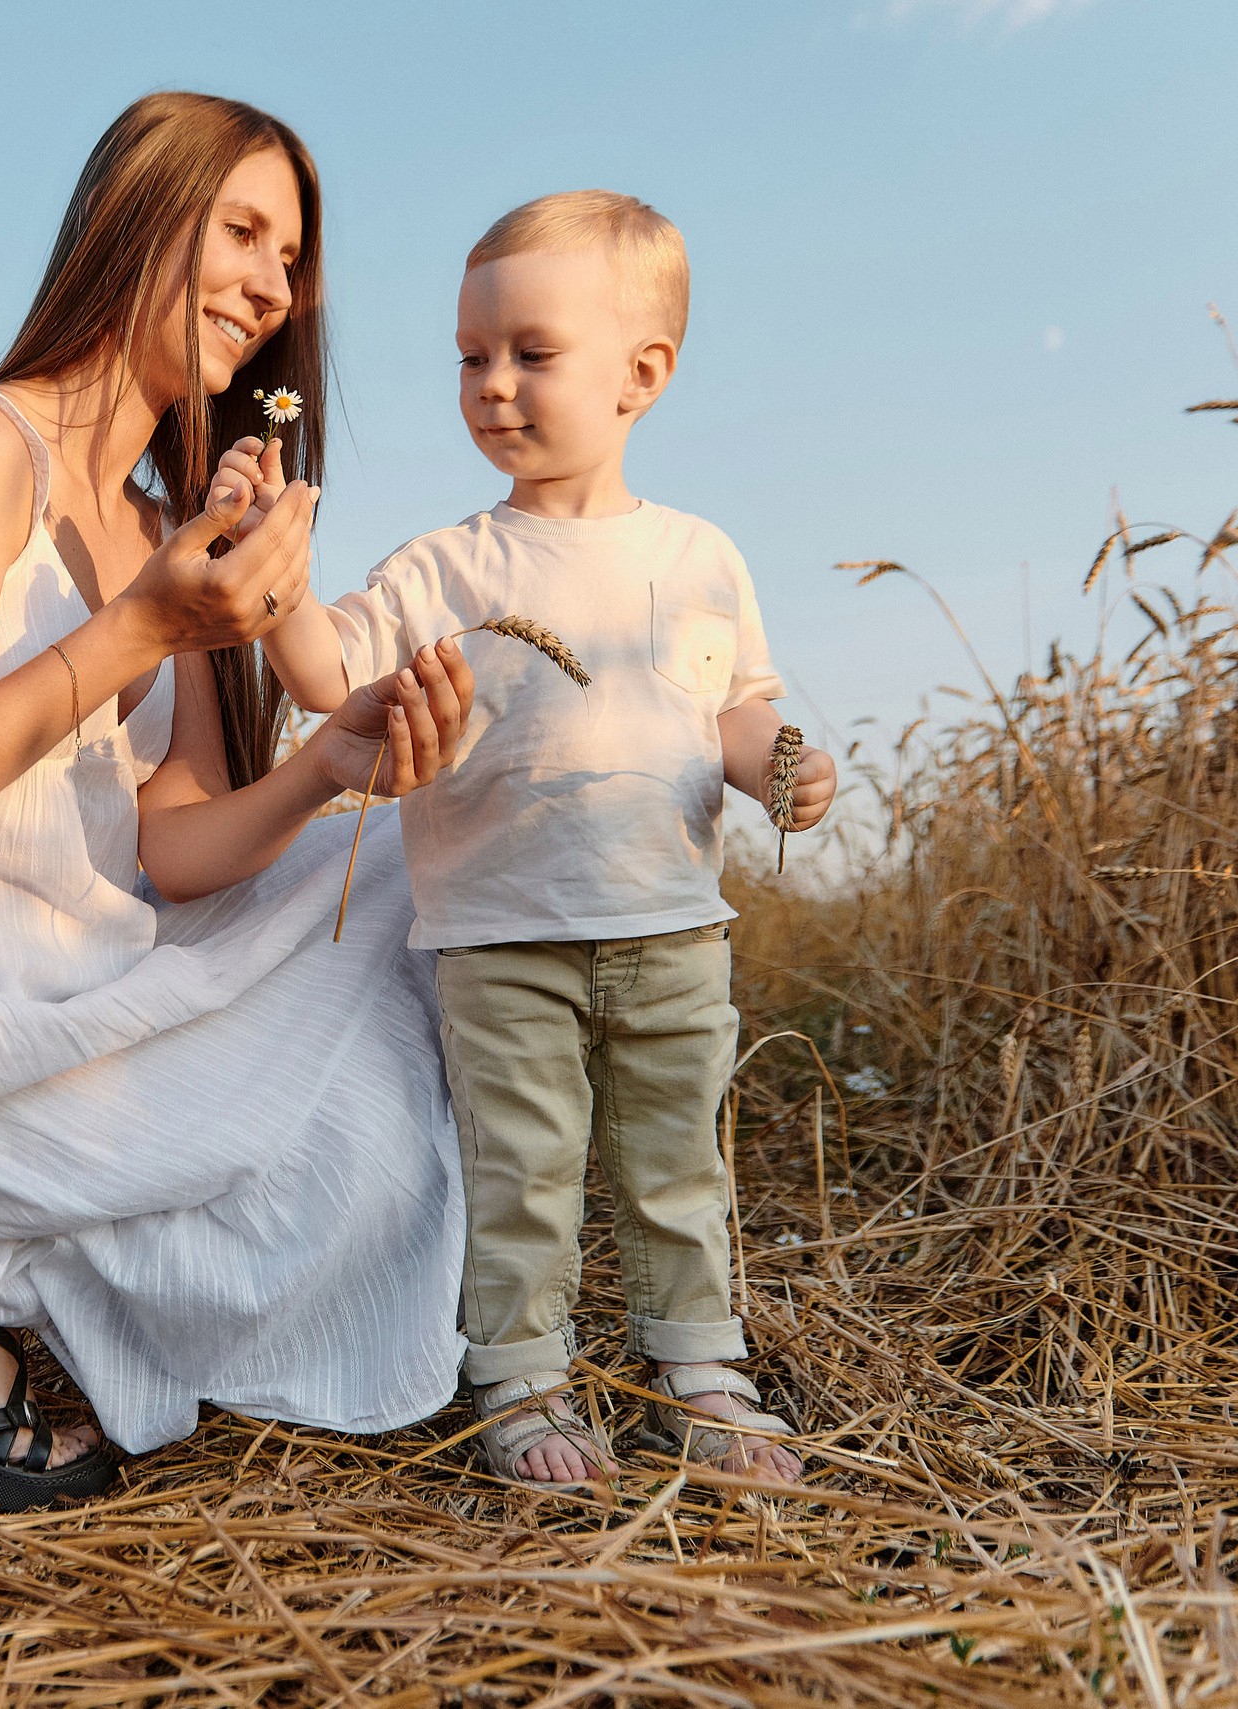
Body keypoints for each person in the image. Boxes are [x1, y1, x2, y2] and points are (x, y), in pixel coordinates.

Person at [0, 92, 476, 1510]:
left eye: (292, 259)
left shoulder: (169, 530)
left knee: (420, 865)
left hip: (93, 1000)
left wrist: (332, 764)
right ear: (135, 216)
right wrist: (142, 632)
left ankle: (9, 1272)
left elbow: (176, 846)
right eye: (244, 232)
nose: (277, 286)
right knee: (320, 1162)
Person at [261, 191, 836, 1491]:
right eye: (473, 357)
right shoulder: (449, 569)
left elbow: (732, 711)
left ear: (643, 375)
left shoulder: (695, 559)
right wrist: (273, 572)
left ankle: (699, 1364)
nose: (493, 384)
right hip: (500, 936)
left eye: (531, 352)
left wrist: (788, 769)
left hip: (673, 930)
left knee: (678, 1161)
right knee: (520, 1168)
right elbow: (319, 670)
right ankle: (520, 1373)